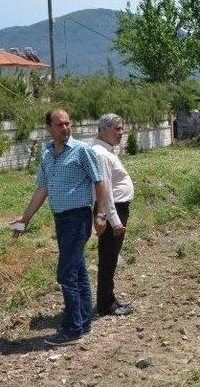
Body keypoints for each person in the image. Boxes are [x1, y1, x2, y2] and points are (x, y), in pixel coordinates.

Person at [12, 109, 108, 346]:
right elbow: (42, 189)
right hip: (61, 219)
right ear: (48, 128)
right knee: (77, 270)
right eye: (59, 125)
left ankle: (71, 329)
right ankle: (83, 322)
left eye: (67, 124)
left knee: (65, 272)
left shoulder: (82, 151)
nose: (65, 128)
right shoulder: (46, 154)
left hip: (78, 218)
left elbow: (100, 182)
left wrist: (102, 214)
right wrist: (24, 219)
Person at [92, 114, 135, 316]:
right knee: (108, 257)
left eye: (121, 128)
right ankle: (105, 304)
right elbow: (104, 191)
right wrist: (115, 221)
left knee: (111, 257)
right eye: (117, 129)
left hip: (116, 209)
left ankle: (109, 299)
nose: (121, 133)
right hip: (112, 210)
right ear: (104, 129)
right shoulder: (100, 153)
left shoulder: (106, 151)